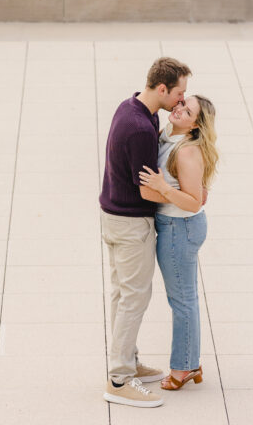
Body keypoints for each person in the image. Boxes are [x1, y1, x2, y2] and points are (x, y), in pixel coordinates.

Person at [100, 56, 192, 408]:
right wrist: (184, 198)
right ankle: (119, 378)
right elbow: (145, 189)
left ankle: (126, 361)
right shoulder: (141, 128)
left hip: (113, 216)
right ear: (162, 88)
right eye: (179, 93)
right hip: (130, 223)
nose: (182, 101)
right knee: (134, 299)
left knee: (122, 296)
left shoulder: (133, 107)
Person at [139, 95, 219, 392]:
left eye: (187, 111)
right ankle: (190, 362)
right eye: (181, 103)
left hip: (179, 228)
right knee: (185, 299)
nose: (178, 109)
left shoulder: (186, 151)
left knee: (182, 301)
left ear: (196, 124)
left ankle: (183, 367)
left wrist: (160, 189)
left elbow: (193, 202)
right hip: (174, 225)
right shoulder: (167, 135)